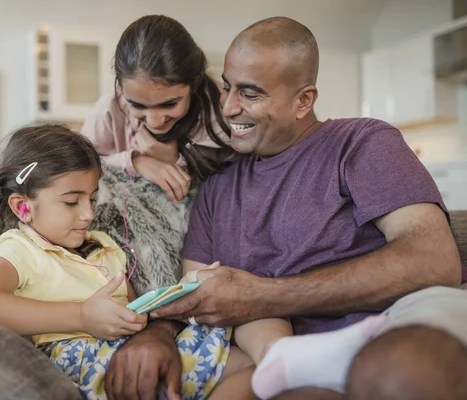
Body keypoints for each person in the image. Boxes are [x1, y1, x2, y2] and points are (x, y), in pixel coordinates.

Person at [105, 17, 467, 400]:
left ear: (303, 100)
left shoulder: (360, 142)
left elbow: (433, 261)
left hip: (403, 320)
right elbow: (193, 295)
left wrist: (262, 295)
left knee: (399, 372)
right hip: (289, 357)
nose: (228, 108)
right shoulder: (214, 191)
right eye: (227, 87)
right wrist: (158, 334)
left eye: (251, 94)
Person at [0, 124, 255, 400]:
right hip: (82, 360)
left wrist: (186, 290)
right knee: (249, 372)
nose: (87, 214)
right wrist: (82, 316)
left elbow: (141, 314)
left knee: (249, 361)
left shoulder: (106, 247)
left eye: (92, 199)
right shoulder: (21, 249)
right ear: (23, 206)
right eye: (72, 202)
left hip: (133, 346)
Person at [81, 15, 239, 203]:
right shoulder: (109, 109)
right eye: (137, 105)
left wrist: (176, 160)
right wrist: (136, 162)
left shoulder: (227, 111)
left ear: (194, 83)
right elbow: (76, 167)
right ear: (121, 88)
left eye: (170, 104)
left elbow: (238, 184)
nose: (155, 121)